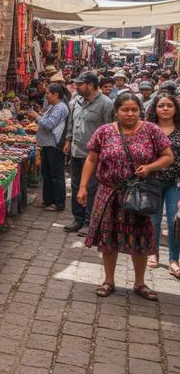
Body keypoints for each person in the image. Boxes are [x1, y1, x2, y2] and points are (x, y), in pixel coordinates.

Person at [79, 92, 173, 300]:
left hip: (139, 194)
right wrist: (83, 186)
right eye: (125, 110)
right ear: (116, 111)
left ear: (140, 110)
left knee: (140, 238)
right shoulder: (104, 132)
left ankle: (140, 283)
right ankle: (108, 281)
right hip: (109, 194)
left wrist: (150, 167)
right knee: (108, 238)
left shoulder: (152, 131)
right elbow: (91, 159)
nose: (130, 114)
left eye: (134, 110)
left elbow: (168, 156)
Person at [64, 71, 115, 234]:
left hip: (93, 155)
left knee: (91, 188)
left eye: (79, 84)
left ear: (90, 85)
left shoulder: (106, 104)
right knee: (76, 185)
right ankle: (78, 218)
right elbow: (71, 123)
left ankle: (89, 222)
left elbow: (110, 128)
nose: (76, 87)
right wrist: (68, 140)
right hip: (76, 150)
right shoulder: (75, 101)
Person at [145, 92, 180, 275]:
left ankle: (174, 259)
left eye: (169, 105)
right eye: (161, 105)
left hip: (175, 183)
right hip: (153, 181)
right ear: (155, 109)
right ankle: (153, 252)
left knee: (175, 220)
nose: (165, 109)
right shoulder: (148, 128)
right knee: (154, 219)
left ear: (175, 109)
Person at [28, 83, 69, 212]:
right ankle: (48, 200)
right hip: (47, 144)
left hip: (54, 145)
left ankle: (58, 203)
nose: (46, 96)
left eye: (47, 94)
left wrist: (36, 117)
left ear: (55, 95)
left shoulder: (60, 107)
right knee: (47, 174)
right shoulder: (53, 106)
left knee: (55, 175)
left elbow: (50, 124)